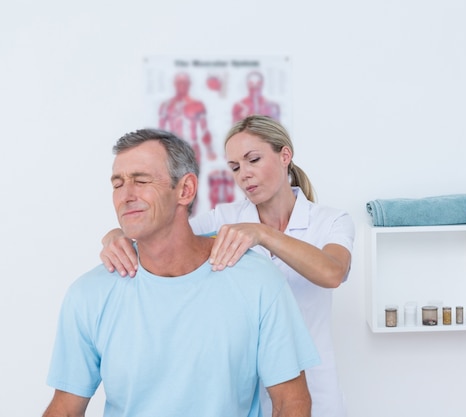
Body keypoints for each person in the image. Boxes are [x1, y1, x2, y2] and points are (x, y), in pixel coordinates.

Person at [43, 129, 319, 417]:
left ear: (185, 190)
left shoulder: (256, 281)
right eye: (117, 184)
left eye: (141, 180)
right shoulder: (89, 294)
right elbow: (64, 409)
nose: (125, 195)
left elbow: (291, 402)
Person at [100, 116, 355, 417]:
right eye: (235, 167)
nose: (244, 174)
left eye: (253, 160)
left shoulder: (331, 221)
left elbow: (332, 272)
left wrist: (262, 233)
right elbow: (167, 232)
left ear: (285, 156)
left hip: (313, 387)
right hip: (243, 393)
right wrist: (117, 235)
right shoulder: (224, 218)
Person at [159, 71, 217, 161]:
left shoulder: (197, 105)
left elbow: (204, 130)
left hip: (192, 149)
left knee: (193, 174)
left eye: (185, 83)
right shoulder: (166, 105)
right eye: (179, 83)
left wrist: (209, 150)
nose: (182, 86)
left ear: (189, 84)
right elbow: (160, 132)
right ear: (174, 84)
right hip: (173, 150)